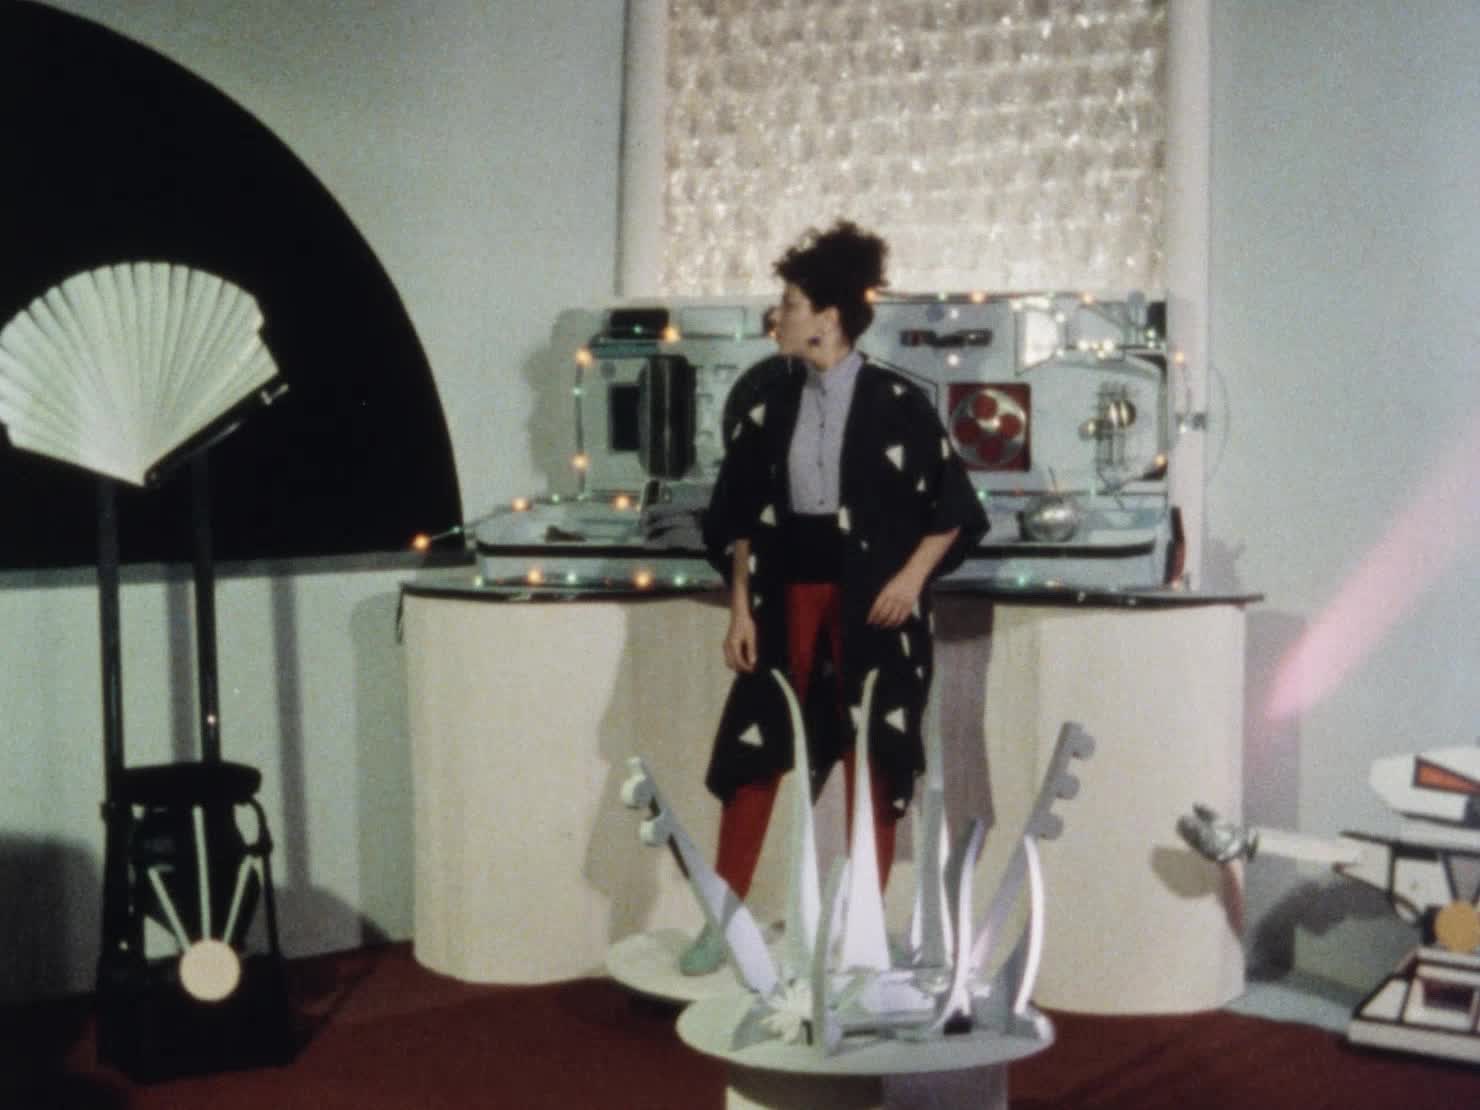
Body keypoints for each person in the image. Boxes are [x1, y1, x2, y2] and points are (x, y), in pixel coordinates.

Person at [684, 220, 989, 974]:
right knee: (754, 755)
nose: (776, 317)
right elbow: (738, 515)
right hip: (785, 598)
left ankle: (861, 930)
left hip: (873, 609)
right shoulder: (768, 402)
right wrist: (740, 608)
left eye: (789, 304)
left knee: (873, 760)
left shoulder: (899, 401)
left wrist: (909, 582)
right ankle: (723, 917)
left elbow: (954, 509)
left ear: (827, 317)